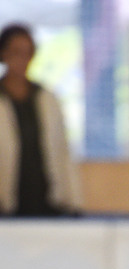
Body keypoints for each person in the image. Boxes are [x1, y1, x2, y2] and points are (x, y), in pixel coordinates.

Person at [0, 22, 82, 216]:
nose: (22, 59)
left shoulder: (47, 98)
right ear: (3, 53)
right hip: (6, 205)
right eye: (16, 52)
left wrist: (73, 199)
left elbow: (62, 151)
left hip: (45, 200)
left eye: (28, 52)